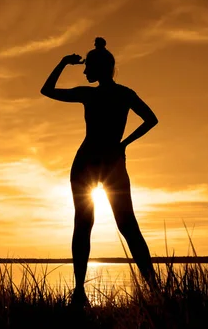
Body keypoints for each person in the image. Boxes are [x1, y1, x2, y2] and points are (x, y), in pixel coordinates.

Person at [40, 37, 159, 306]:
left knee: (89, 226)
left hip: (89, 163)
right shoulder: (123, 93)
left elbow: (47, 90)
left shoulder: (91, 94)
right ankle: (153, 290)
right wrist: (123, 143)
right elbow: (152, 120)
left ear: (99, 68)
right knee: (125, 226)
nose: (84, 72)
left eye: (87, 68)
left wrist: (62, 63)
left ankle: (81, 292)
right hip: (109, 163)